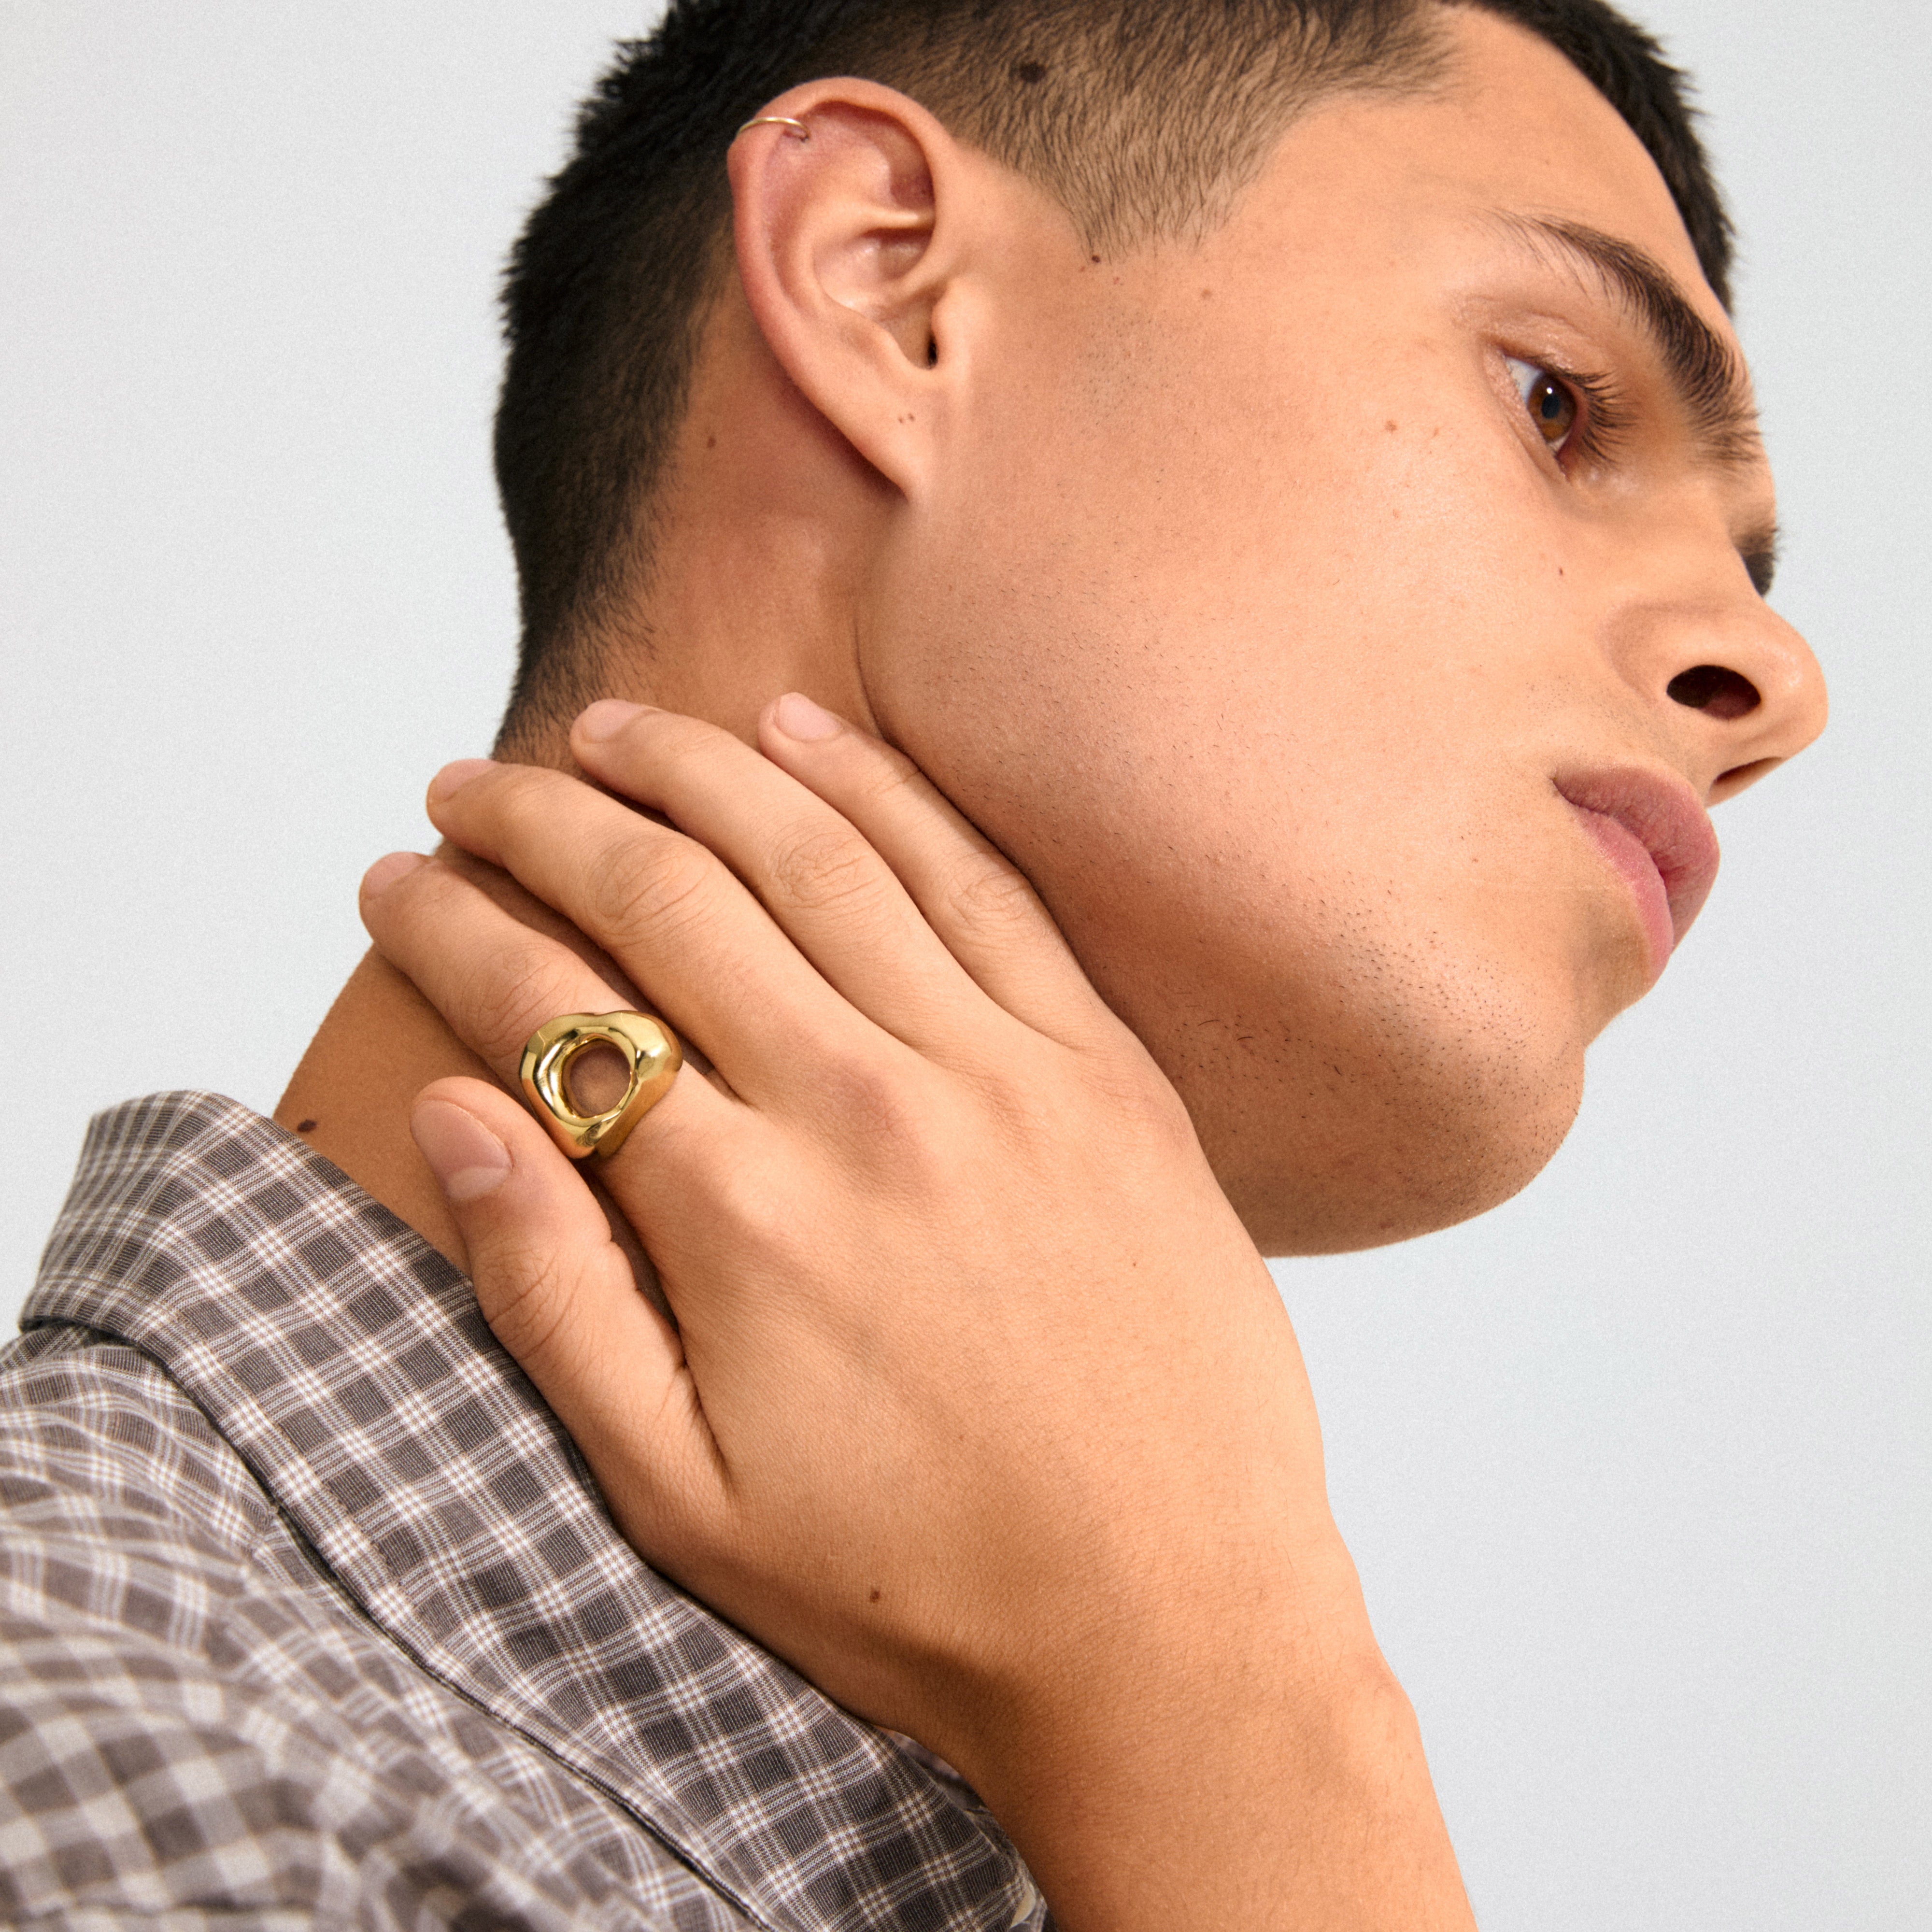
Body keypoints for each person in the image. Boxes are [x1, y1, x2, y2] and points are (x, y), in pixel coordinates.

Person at [1, 0, 1827, 1926]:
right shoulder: (113, 1775)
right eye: (1558, 401)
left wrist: (1220, 1717)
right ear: (886, 289)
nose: (1779, 693)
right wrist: (1255, 1713)